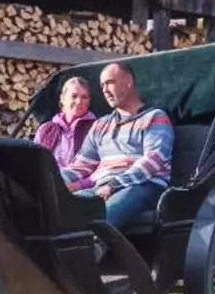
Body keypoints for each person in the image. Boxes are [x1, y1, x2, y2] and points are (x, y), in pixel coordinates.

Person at [62, 60, 173, 228]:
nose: (105, 90)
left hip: (142, 186)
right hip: (101, 188)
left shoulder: (155, 117)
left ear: (128, 81)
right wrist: (53, 179)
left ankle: (93, 251)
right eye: (102, 86)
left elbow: (153, 161)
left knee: (102, 219)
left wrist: (114, 184)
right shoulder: (100, 125)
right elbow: (81, 165)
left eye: (109, 83)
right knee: (63, 210)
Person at [34, 76, 97, 168]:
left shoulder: (96, 129)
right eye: (74, 96)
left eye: (84, 97)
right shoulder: (45, 129)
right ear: (63, 98)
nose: (79, 101)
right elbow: (35, 160)